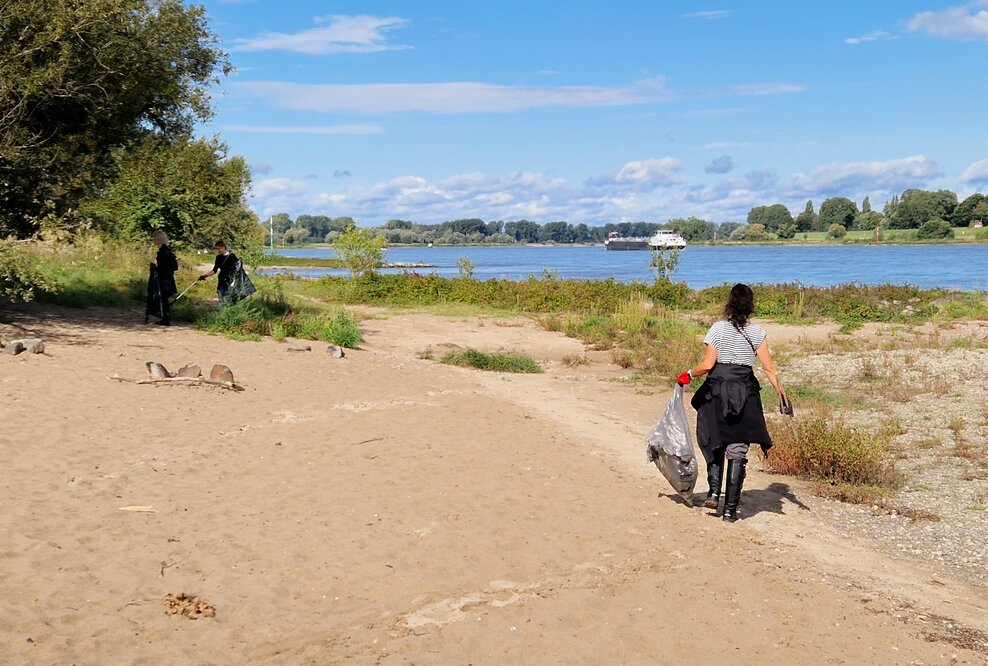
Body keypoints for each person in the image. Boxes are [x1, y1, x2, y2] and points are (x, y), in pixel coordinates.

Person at [677, 283, 787, 522]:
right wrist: (782, 395)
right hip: (745, 392)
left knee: (713, 440)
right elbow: (769, 368)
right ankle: (729, 512)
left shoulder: (718, 328)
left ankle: (715, 493)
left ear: (729, 303)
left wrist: (688, 374)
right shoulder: (758, 332)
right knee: (737, 449)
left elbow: (707, 365)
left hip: (716, 391)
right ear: (750, 306)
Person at [148, 230, 178, 326]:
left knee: (163, 299)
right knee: (164, 299)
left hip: (164, 279)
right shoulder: (167, 250)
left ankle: (166, 318)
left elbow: (164, 265)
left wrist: (156, 266)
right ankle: (165, 318)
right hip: (167, 278)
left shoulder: (163, 251)